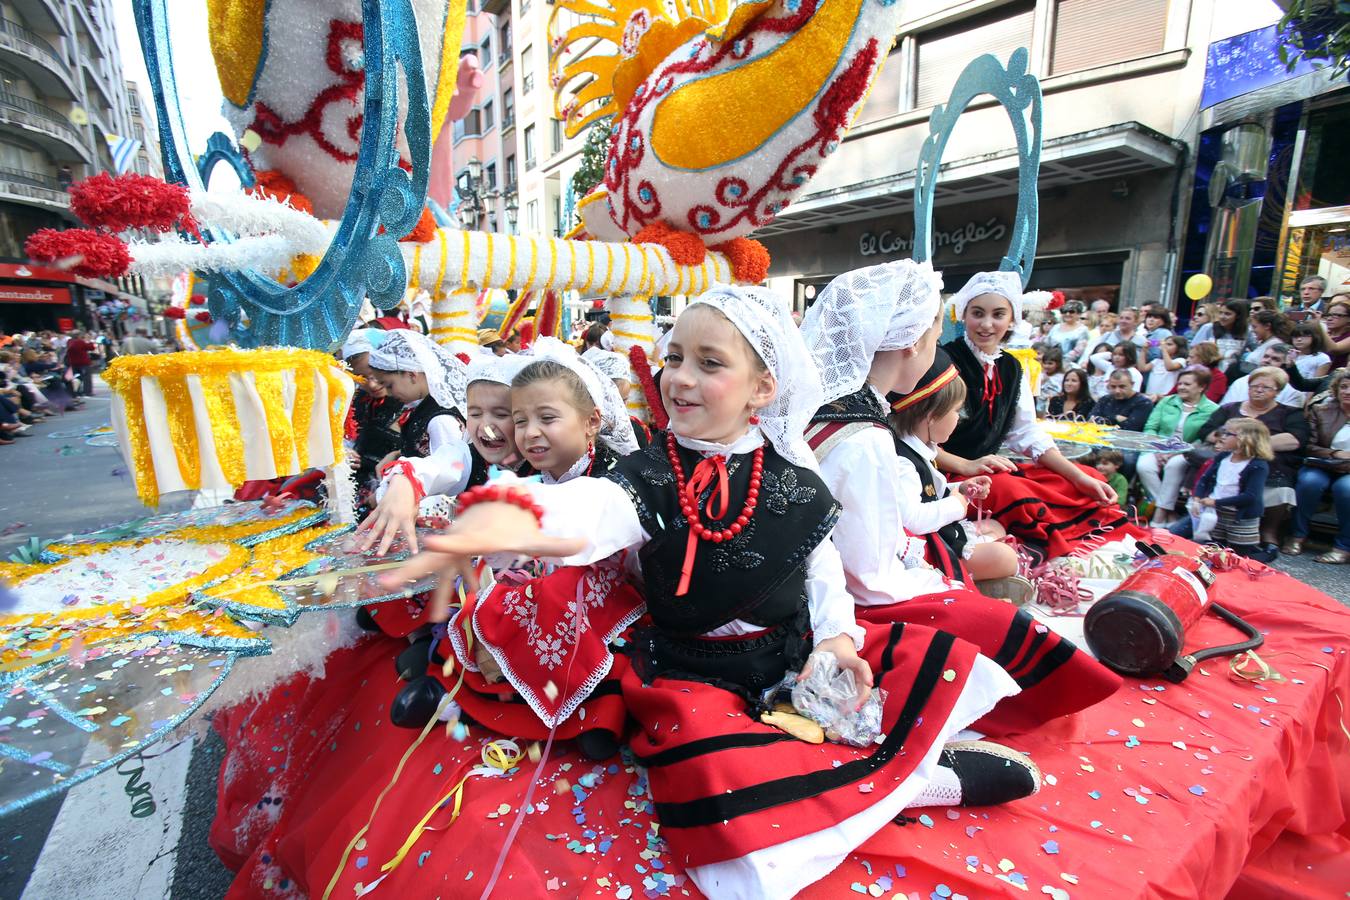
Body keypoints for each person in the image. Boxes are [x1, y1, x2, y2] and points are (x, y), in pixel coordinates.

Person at [391, 285, 1039, 897]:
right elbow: (584, 514)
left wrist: (836, 635)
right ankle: (927, 781)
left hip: (790, 655)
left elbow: (821, 571)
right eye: (674, 357)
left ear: (763, 387)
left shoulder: (793, 473)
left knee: (924, 664)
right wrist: (493, 512)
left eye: (708, 362)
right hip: (692, 674)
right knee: (714, 773)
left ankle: (897, 757)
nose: (680, 377)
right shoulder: (646, 475)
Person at [800, 260, 1115, 728]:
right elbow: (868, 574)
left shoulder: (838, 412)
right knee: (1014, 633)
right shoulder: (865, 437)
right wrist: (931, 576)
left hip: (856, 579)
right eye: (932, 338)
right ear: (911, 343)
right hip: (859, 599)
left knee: (982, 592)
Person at [407, 340, 642, 744]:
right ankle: (477, 683)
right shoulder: (539, 469)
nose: (529, 433)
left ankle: (588, 709)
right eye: (520, 420)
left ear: (591, 421)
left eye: (546, 418)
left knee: (553, 591)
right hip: (547, 592)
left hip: (612, 600)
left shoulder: (618, 475)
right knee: (490, 579)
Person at [936, 272, 1134, 562]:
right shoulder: (944, 361)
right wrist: (966, 465)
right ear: (963, 314)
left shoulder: (1014, 368)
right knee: (1014, 491)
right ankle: (1032, 552)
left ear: (1012, 319)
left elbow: (1026, 434)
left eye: (998, 314)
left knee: (1087, 478)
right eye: (978, 313)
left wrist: (1078, 477)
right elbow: (914, 438)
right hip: (947, 470)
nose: (987, 324)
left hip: (986, 469)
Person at [1195, 366, 1308, 548]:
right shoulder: (1229, 409)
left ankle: (1269, 532)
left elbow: (1295, 440)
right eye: (1254, 386)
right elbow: (1207, 432)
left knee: (1279, 484)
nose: (1258, 390)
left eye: (1266, 387)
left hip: (1271, 465)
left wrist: (1248, 445)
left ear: (1277, 391)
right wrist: (1234, 442)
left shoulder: (1290, 413)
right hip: (1228, 460)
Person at [1168, 418, 1273, 561]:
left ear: (1244, 439)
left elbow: (1250, 496)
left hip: (1239, 517)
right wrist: (1197, 498)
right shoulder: (1223, 457)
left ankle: (1265, 555)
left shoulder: (1258, 465)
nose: (1223, 437)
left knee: (1240, 555)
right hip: (1215, 513)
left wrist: (1216, 502)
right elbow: (1204, 479)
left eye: (1228, 434)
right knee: (1213, 549)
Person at [1136, 370, 1218, 525]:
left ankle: (1159, 516)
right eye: (1179, 383)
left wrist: (1176, 452)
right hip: (1158, 447)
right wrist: (1158, 449)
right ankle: (1168, 509)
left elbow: (1203, 439)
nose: (1181, 387)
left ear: (1201, 387)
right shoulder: (1167, 401)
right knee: (1144, 466)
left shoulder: (1212, 409)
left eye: (1187, 384)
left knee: (1174, 466)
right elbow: (1151, 427)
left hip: (1188, 450)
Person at [1285, 370, 1350, 562]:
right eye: (1343, 387)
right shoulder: (1321, 410)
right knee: (1309, 482)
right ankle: (1297, 535)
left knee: (1346, 489)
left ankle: (1343, 546)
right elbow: (1309, 446)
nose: (1347, 391)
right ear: (1336, 390)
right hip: (1322, 464)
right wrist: (1336, 454)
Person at [340, 329, 403, 519]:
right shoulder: (357, 400)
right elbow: (347, 439)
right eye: (363, 378)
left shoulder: (406, 399)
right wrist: (345, 454)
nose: (373, 385)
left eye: (375, 375)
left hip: (394, 492)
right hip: (359, 489)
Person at [1221, 344, 1303, 407]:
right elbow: (1225, 408)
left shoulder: (1293, 391)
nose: (1267, 361)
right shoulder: (1241, 382)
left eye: (1275, 359)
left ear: (1286, 365)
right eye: (1266, 356)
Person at [1191, 299, 1254, 368]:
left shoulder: (1247, 331)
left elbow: (1258, 350)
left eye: (1227, 314)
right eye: (1220, 313)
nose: (1222, 317)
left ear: (1238, 316)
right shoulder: (1208, 328)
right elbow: (1193, 351)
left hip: (1231, 375)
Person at [1239, 309, 1294, 375]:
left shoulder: (1275, 344)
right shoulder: (1266, 342)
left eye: (1255, 327)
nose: (1252, 330)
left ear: (1267, 326)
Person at [1146, 334, 1187, 400]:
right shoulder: (1157, 361)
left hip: (1166, 396)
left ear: (1179, 347)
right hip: (1150, 394)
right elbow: (1142, 368)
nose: (1165, 346)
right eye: (1165, 344)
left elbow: (1169, 367)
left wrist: (1164, 350)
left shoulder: (1181, 360)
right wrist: (1144, 350)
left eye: (1169, 344)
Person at [1321, 295, 1350, 369]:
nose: (1330, 318)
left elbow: (1334, 349)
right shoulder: (1326, 333)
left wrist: (1319, 327)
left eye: (1337, 315)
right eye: (1329, 315)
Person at [64, 331, 95, 397]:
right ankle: (87, 392)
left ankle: (77, 391)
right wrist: (89, 341)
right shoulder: (80, 342)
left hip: (73, 363)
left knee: (77, 377)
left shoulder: (69, 342)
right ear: (78, 335)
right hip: (83, 362)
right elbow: (91, 347)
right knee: (86, 378)